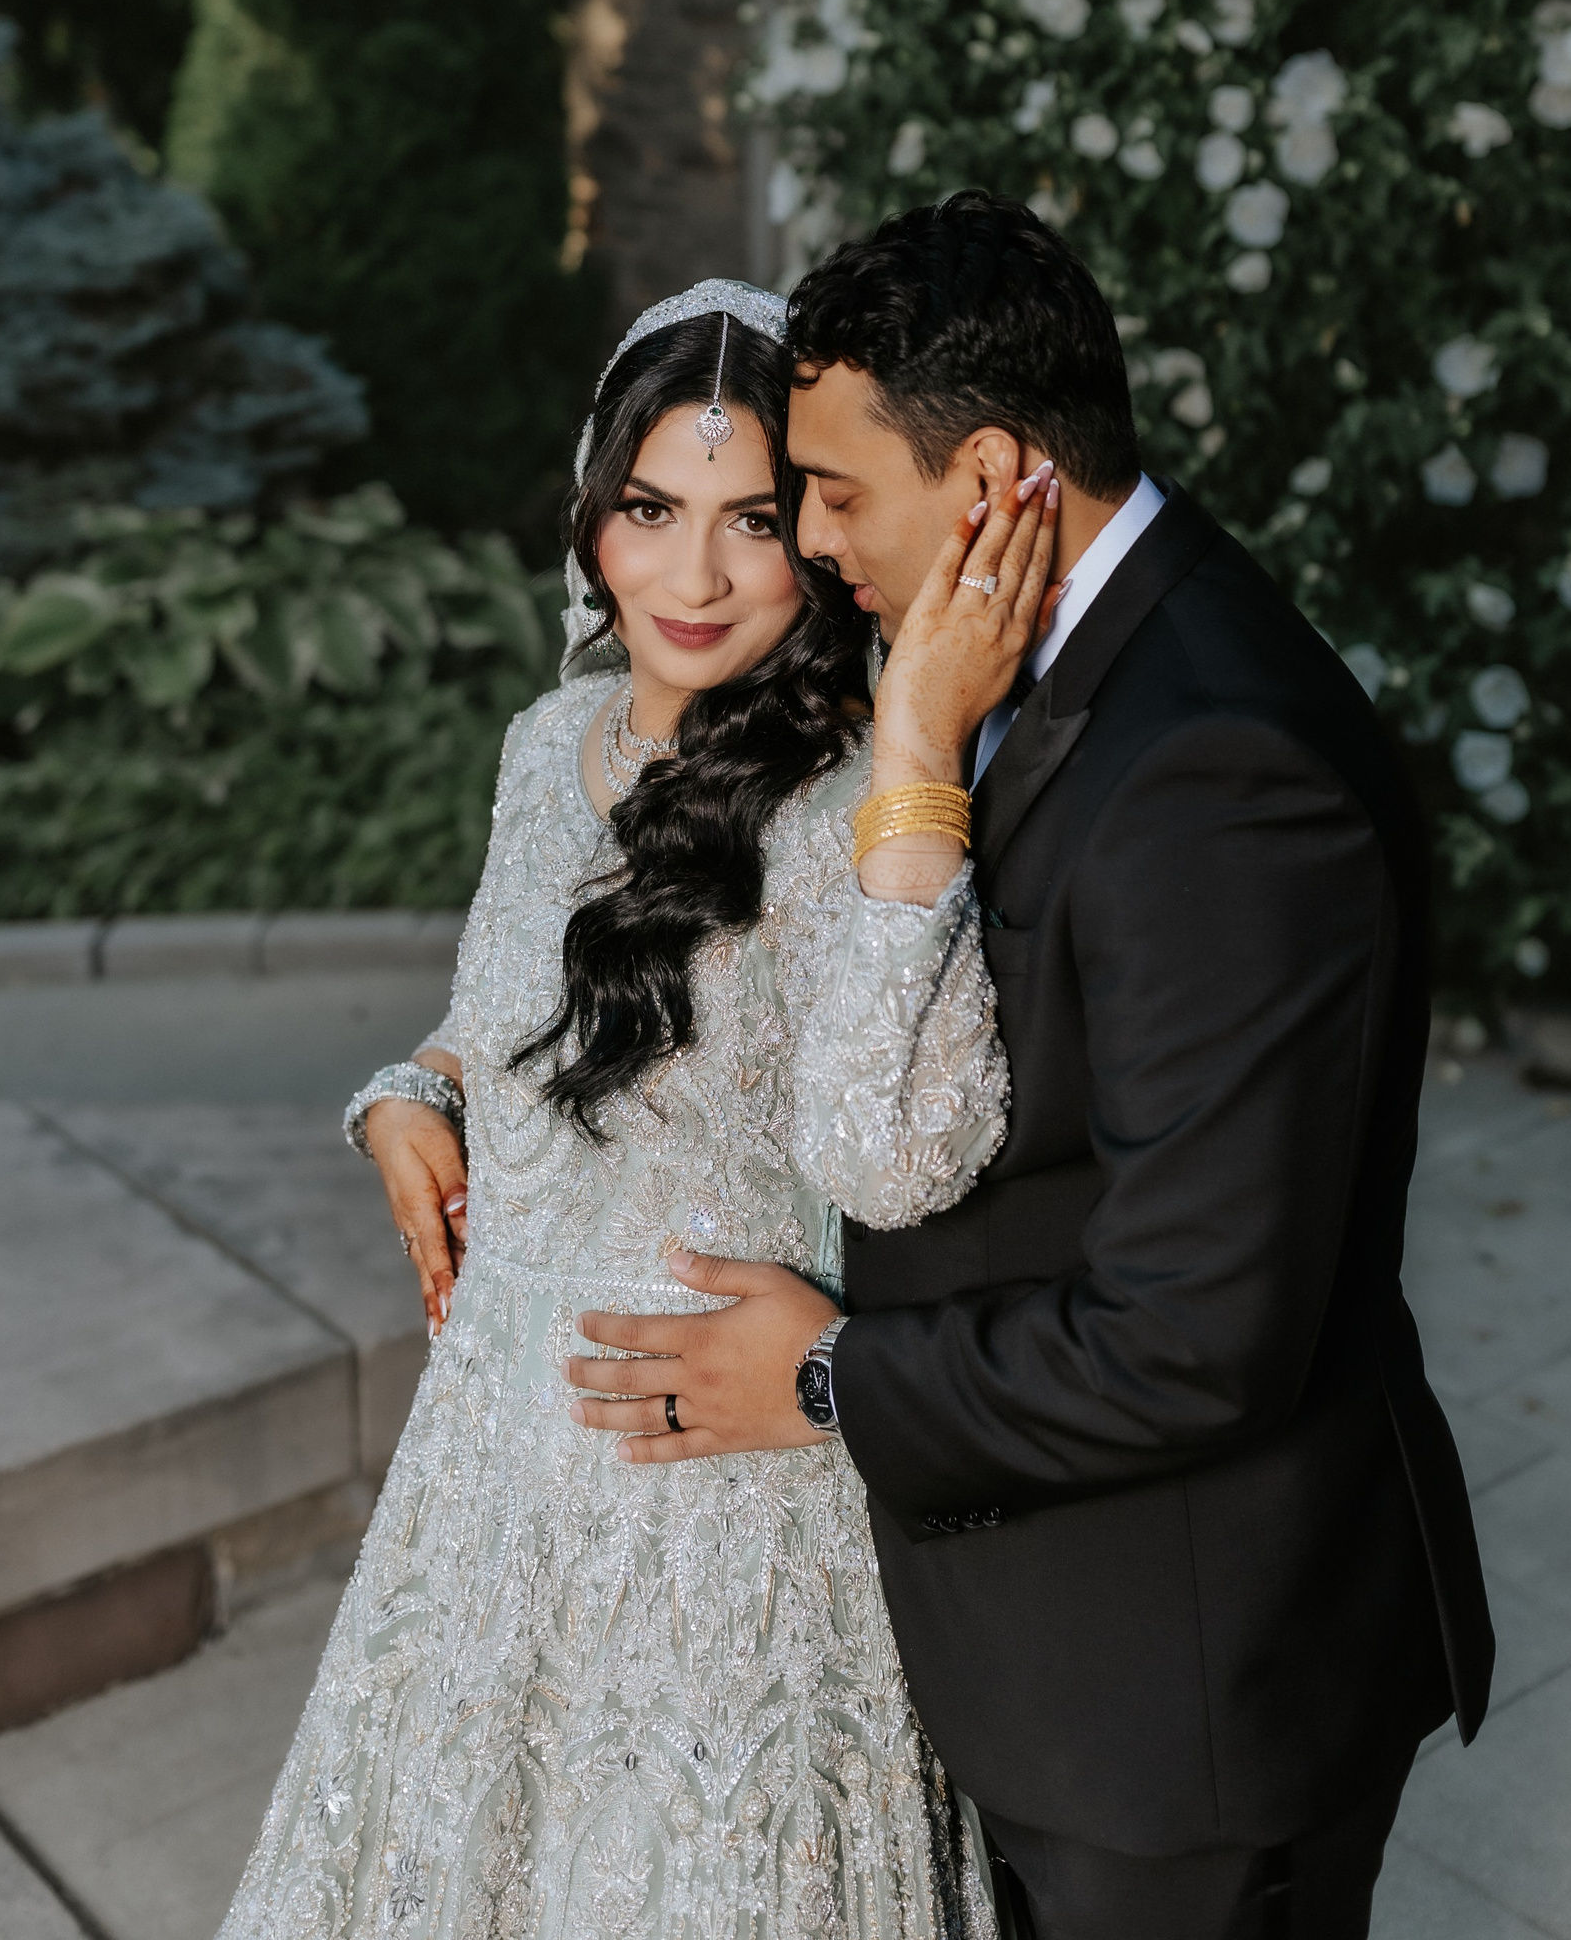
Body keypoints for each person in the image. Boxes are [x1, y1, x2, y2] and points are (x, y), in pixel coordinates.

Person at [567, 196, 1496, 1940]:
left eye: (833, 493)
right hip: (1040, 1648)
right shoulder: (1005, 641)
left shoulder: (1218, 771)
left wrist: (828, 1379)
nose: (811, 540)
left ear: (994, 473)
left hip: (1173, 1705)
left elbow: (1191, 1334)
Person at [218, 276, 1055, 1940]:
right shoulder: (547, 746)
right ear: (592, 507)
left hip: (723, 1494)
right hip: (492, 1478)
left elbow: (904, 1160)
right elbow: (496, 1021)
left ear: (819, 532)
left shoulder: (856, 794)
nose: (694, 578)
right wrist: (411, 1095)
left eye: (754, 521)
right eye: (652, 510)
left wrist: (919, 761)